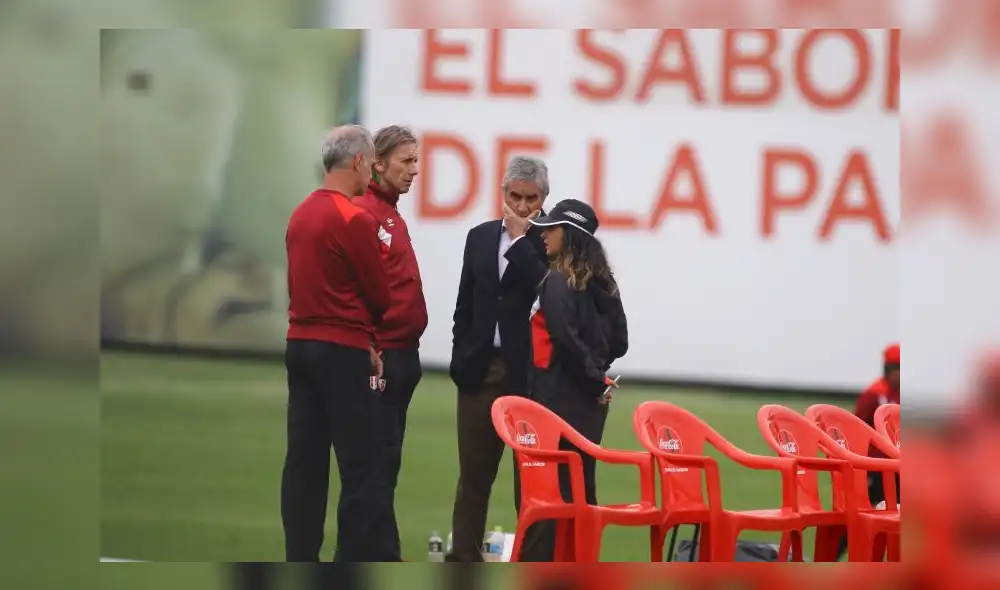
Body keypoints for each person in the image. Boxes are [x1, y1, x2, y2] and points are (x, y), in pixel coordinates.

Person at [282, 124, 392, 562]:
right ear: (360, 162)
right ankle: (352, 559)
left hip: (299, 343)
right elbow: (379, 295)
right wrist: (366, 338)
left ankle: (300, 556)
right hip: (341, 350)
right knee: (361, 464)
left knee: (304, 461)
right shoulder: (353, 218)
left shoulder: (300, 213)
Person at [446, 156, 551, 562]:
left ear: (544, 199)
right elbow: (465, 303)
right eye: (515, 196)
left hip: (524, 375)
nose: (522, 206)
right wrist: (461, 356)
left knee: (528, 479)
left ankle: (528, 563)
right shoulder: (479, 236)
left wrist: (523, 239)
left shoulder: (550, 242)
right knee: (473, 476)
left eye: (531, 198)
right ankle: (463, 561)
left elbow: (545, 287)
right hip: (478, 370)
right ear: (502, 192)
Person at [516, 198, 628, 561]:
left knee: (542, 500)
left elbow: (564, 340)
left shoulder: (557, 281)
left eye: (551, 228)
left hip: (550, 403)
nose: (543, 234)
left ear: (570, 235)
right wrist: (597, 377)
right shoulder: (604, 282)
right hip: (588, 405)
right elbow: (620, 343)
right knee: (580, 493)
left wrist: (593, 378)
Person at [353, 125, 428, 561]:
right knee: (375, 465)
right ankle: (378, 556)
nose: (414, 170)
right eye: (406, 160)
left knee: (386, 463)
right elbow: (358, 288)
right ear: (377, 163)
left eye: (416, 160)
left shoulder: (390, 213)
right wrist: (370, 345)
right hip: (381, 358)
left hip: (402, 355)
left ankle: (374, 553)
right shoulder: (366, 213)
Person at [836, 342, 901, 559]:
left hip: (898, 468)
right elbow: (854, 427)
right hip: (875, 467)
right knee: (861, 515)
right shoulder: (875, 395)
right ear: (891, 369)